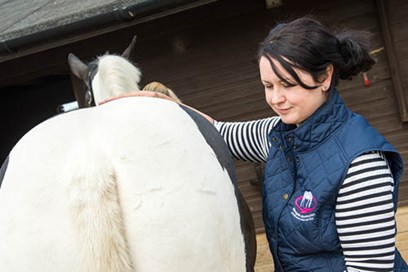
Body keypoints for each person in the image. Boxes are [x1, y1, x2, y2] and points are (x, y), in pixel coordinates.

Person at [131, 16, 407, 272]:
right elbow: (218, 132)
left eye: (287, 84)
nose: (276, 99)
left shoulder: (362, 164)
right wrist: (165, 107)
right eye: (268, 85)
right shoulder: (276, 134)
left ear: (324, 77)